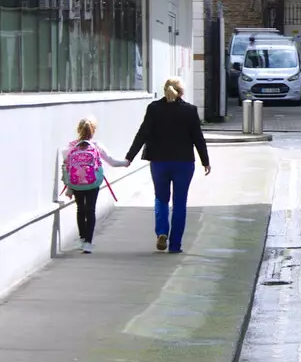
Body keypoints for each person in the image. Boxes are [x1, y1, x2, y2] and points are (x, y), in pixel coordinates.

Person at [126, 77, 211, 254]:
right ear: (181, 92)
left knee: (161, 198)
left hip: (159, 162)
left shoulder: (154, 108)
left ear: (165, 90)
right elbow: (198, 138)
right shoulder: (190, 111)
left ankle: (162, 232)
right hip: (184, 163)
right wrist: (205, 161)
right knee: (180, 203)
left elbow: (142, 134)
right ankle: (175, 245)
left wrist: (129, 157)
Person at [61, 117, 129, 254]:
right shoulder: (96, 146)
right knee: (90, 210)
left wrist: (69, 187)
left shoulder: (70, 147)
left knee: (80, 209)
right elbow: (112, 162)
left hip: (76, 185)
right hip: (92, 183)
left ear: (78, 130)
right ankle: (88, 243)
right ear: (93, 131)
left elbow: (66, 168)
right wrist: (126, 163)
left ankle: (81, 238)